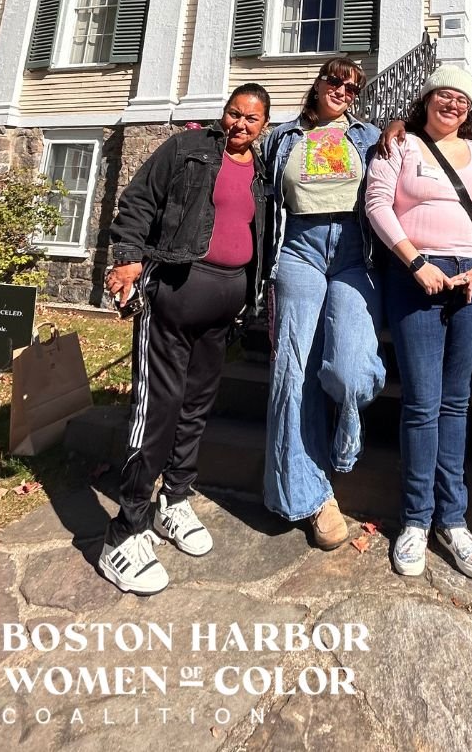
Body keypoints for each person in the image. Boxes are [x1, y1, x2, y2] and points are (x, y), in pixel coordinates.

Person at [99, 84, 271, 594]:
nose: (240, 125)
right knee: (159, 409)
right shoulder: (187, 149)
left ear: (264, 124)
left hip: (223, 311)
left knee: (196, 406)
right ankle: (122, 533)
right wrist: (128, 257)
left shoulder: (261, 173)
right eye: (233, 114)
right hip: (174, 294)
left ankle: (173, 500)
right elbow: (138, 202)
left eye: (251, 119)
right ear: (224, 114)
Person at [365, 65, 472, 579]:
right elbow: (377, 203)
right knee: (423, 403)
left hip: (470, 281)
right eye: (444, 96)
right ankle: (415, 520)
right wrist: (414, 262)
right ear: (426, 100)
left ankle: (454, 518)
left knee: (456, 402)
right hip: (417, 277)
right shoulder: (400, 147)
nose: (453, 105)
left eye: (462, 101)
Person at [262, 57, 385, 550]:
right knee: (292, 369)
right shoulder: (283, 138)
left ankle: (345, 436)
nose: (343, 90)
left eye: (353, 87)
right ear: (317, 84)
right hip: (298, 250)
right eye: (335, 80)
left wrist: (398, 126)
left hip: (355, 253)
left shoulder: (369, 136)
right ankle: (310, 496)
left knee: (349, 371)